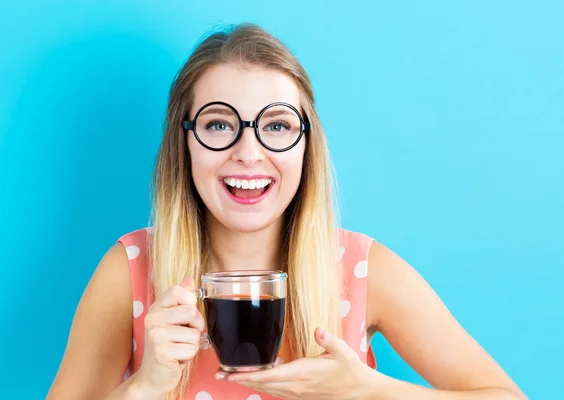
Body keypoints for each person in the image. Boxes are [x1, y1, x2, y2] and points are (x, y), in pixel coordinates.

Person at [47, 23, 527, 400]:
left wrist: (367, 391)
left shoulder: (363, 270)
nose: (249, 153)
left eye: (276, 126)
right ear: (185, 142)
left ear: (305, 145)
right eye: (219, 124)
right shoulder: (131, 272)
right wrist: (145, 388)